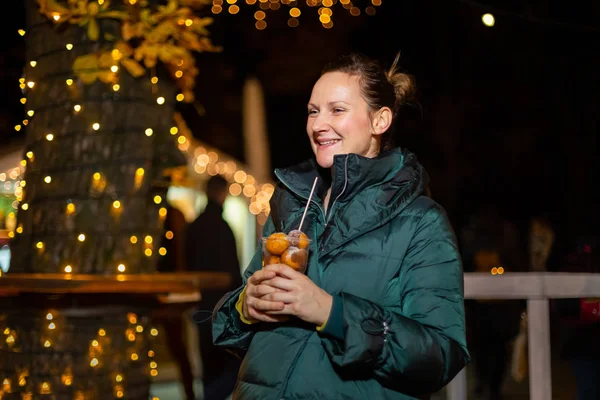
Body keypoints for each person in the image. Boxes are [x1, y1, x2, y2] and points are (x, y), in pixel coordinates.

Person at [211, 52, 470, 399]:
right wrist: (245, 307)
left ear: (380, 121)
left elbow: (439, 355)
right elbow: (240, 326)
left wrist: (331, 313)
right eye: (313, 111)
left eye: (337, 110)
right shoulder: (291, 206)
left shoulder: (421, 222)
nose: (318, 124)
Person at [186, 175, 243, 400]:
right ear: (222, 193)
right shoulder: (222, 227)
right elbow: (232, 271)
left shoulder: (194, 226)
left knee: (208, 364)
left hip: (201, 303)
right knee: (227, 365)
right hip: (222, 306)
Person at [154, 204, 196, 400]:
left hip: (168, 291)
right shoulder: (169, 214)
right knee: (177, 347)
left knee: (178, 346)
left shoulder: (173, 215)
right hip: (160, 290)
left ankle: (190, 393)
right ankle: (190, 393)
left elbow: (181, 252)